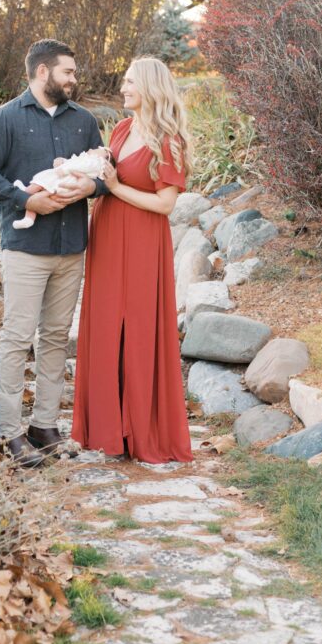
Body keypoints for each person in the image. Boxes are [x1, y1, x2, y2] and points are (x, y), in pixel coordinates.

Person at [0, 39, 107, 467]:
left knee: (54, 339)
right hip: (26, 248)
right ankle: (10, 434)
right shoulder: (6, 119)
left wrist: (92, 186)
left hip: (71, 247)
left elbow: (104, 175)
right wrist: (25, 201)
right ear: (43, 72)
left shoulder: (83, 121)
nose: (74, 79)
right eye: (68, 72)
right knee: (16, 337)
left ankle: (44, 427)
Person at [72, 57, 193, 463]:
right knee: (106, 328)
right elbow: (106, 174)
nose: (123, 88)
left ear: (150, 87)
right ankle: (106, 432)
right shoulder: (123, 128)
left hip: (143, 241)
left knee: (139, 330)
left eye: (129, 83)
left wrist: (114, 187)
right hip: (107, 236)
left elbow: (164, 205)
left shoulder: (168, 140)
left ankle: (143, 430)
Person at [12, 148, 110, 229]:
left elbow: (79, 166)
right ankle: (28, 218)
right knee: (36, 198)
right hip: (64, 182)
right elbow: (74, 163)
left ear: (101, 158)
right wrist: (63, 161)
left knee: (40, 183)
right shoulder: (87, 160)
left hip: (64, 182)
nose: (92, 148)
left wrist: (64, 169)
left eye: (97, 149)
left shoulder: (93, 162)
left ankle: (25, 193)